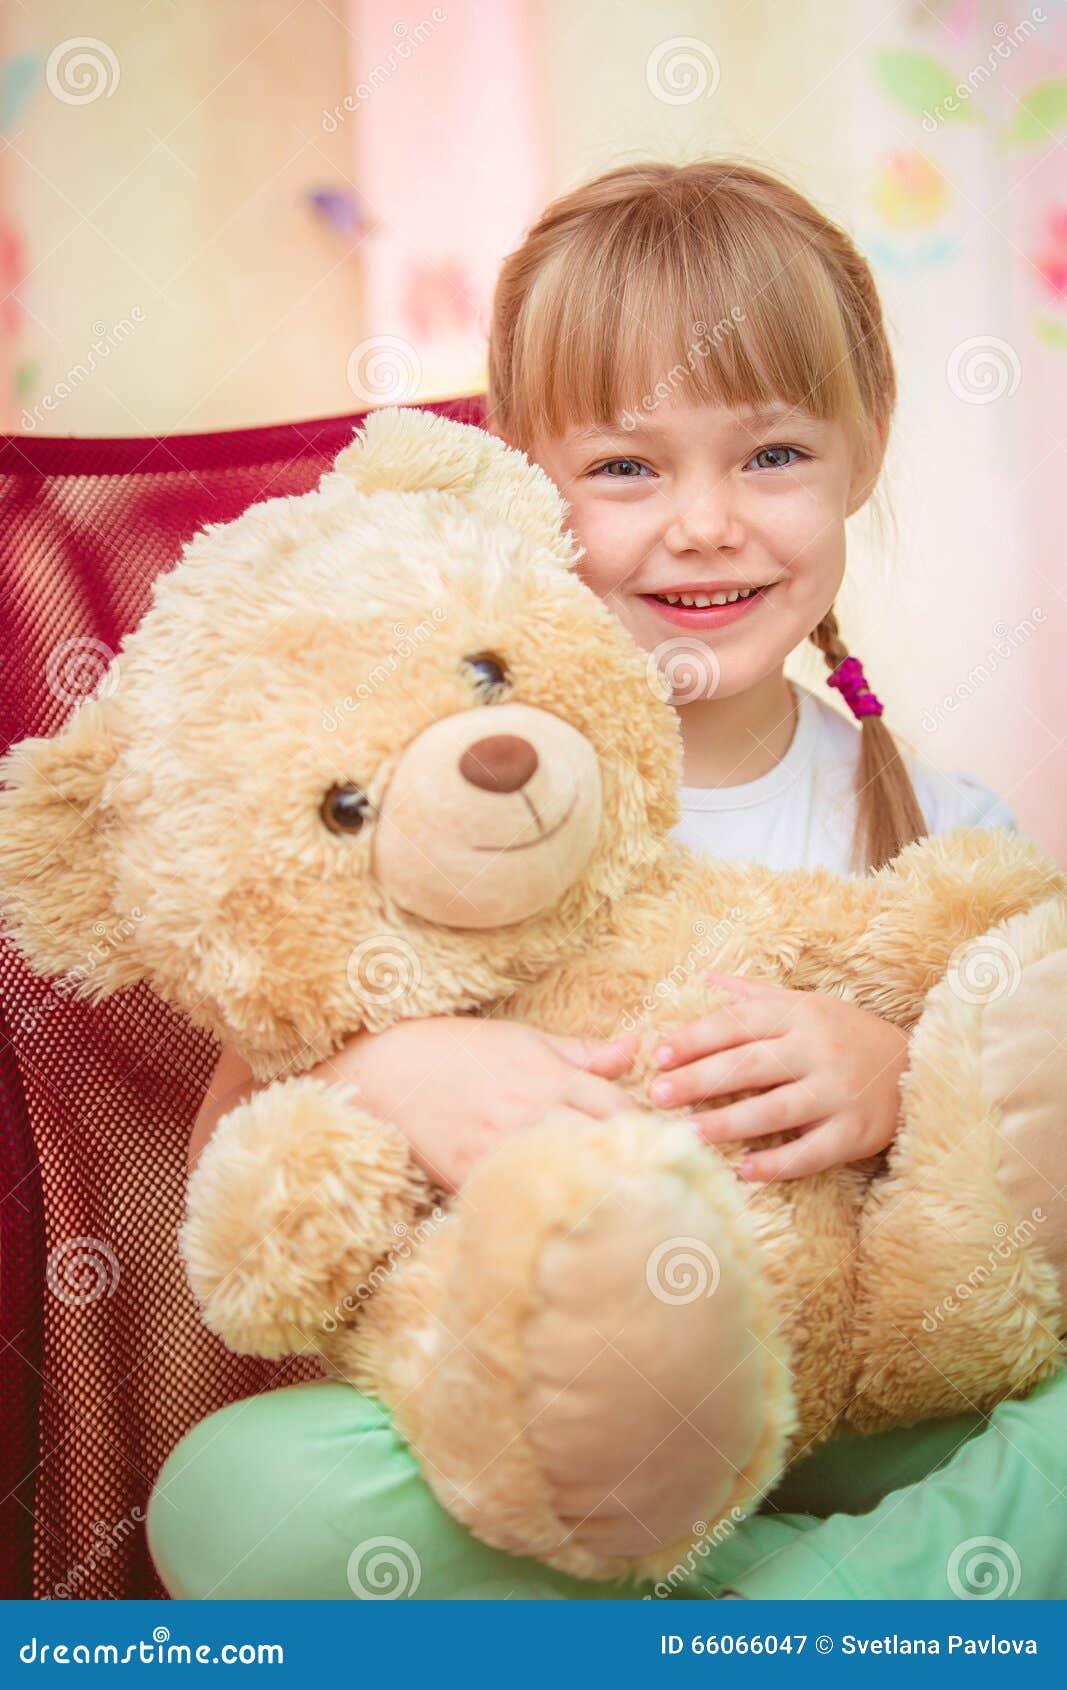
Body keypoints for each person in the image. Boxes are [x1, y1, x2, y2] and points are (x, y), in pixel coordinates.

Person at [147, 158, 1064, 1602]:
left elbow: (1025, 1195)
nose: (703, 522)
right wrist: (388, 1070)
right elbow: (219, 1174)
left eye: (769, 455)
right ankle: (853, 1612)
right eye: (627, 466)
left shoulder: (941, 826)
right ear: (527, 474)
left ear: (865, 447)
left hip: (853, 1408)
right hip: (554, 1439)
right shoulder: (442, 788)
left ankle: (714, 1622)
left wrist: (904, 1069)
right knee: (239, 1495)